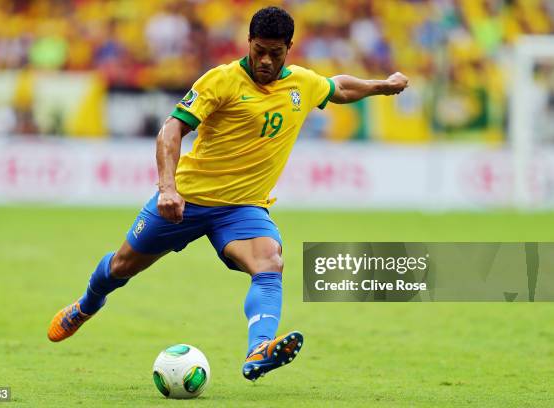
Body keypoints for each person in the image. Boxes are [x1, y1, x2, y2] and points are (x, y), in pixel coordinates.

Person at [47, 6, 408, 381]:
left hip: (242, 208)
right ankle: (86, 306)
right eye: (259, 51)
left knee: (270, 263)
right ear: (248, 43)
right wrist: (167, 188)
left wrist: (382, 86)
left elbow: (338, 87)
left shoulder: (302, 83)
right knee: (122, 266)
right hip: (186, 199)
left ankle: (259, 349)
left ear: (289, 47)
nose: (266, 61)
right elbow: (171, 130)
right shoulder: (220, 81)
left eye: (276, 53)